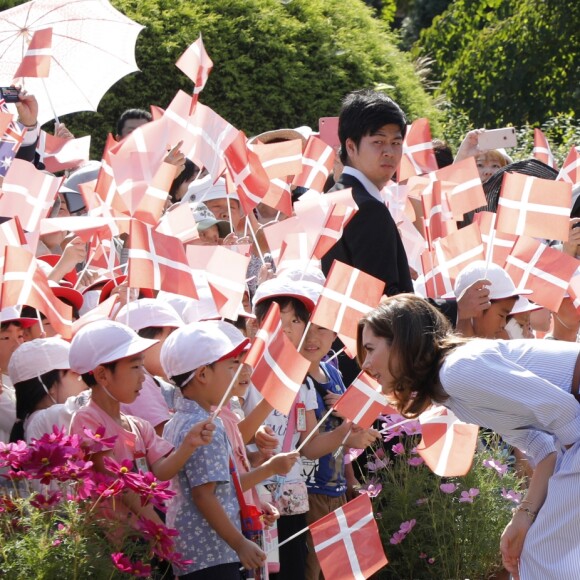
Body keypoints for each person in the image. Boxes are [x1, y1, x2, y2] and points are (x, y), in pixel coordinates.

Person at [357, 294, 580, 580]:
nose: (364, 364)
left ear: (401, 343)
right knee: (539, 557)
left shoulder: (456, 371)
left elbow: (566, 416)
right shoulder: (450, 385)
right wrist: (524, 516)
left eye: (370, 349)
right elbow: (543, 448)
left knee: (541, 557)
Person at [68, 320, 215, 525]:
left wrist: (189, 444)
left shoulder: (139, 425)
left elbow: (162, 471)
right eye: (135, 367)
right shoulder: (87, 419)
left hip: (141, 538)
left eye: (142, 366)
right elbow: (120, 483)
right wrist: (158, 528)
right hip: (108, 544)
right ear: (102, 374)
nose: (143, 377)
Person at [160, 321, 267, 578]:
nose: (236, 375)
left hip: (192, 554)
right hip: (214, 554)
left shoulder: (177, 421)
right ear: (203, 375)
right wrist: (239, 543)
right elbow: (204, 495)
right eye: (231, 368)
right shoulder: (206, 426)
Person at [321, 89, 413, 297]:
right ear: (351, 147)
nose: (389, 151)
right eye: (378, 142)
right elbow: (386, 304)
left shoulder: (331, 199)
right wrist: (458, 308)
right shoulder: (368, 208)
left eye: (396, 143)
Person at [8, 337, 87, 443]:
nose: (85, 379)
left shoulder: (33, 421)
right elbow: (95, 402)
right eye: (75, 373)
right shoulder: (46, 418)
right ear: (49, 386)